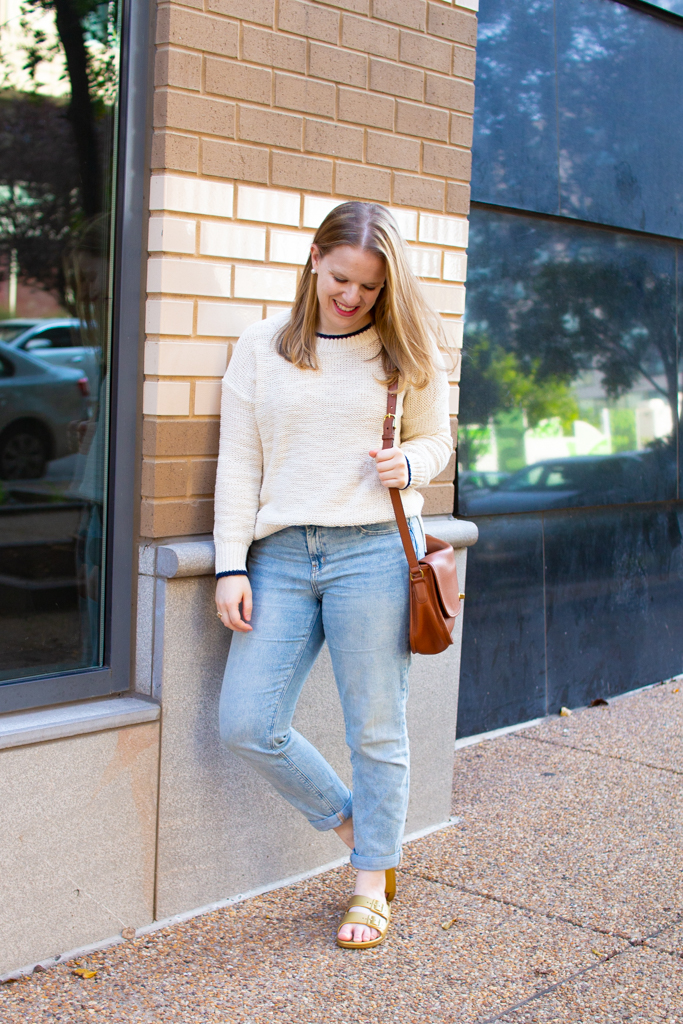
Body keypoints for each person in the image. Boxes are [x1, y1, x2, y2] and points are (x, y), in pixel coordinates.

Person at [214, 201, 452, 949]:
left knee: (376, 729)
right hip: (280, 555)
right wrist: (229, 565)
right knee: (247, 722)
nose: (352, 297)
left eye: (370, 288)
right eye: (341, 278)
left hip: (376, 552)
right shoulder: (260, 346)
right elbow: (239, 462)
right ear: (314, 258)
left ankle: (366, 888)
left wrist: (409, 461)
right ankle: (362, 833)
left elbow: (436, 441)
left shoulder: (404, 348)